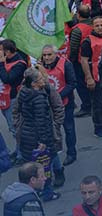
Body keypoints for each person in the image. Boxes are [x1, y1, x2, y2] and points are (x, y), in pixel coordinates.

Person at [11, 69, 62, 201]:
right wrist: (43, 141)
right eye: (40, 79)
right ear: (34, 83)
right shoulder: (39, 97)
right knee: (45, 167)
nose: (43, 80)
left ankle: (33, 191)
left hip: (26, 135)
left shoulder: (23, 92)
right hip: (38, 138)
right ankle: (47, 193)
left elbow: (18, 111)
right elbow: (41, 122)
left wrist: (18, 126)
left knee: (31, 165)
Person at [37, 45, 76, 166]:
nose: (47, 57)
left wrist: (57, 97)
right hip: (46, 105)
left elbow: (72, 83)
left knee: (68, 129)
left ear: (56, 54)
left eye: (49, 54)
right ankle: (54, 154)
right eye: (44, 55)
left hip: (65, 103)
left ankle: (71, 153)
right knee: (51, 131)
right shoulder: (39, 67)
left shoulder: (66, 64)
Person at [79, 17, 102, 137]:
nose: (100, 27)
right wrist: (89, 78)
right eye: (97, 25)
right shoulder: (87, 42)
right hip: (96, 75)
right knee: (98, 103)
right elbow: (84, 61)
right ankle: (98, 127)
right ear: (92, 27)